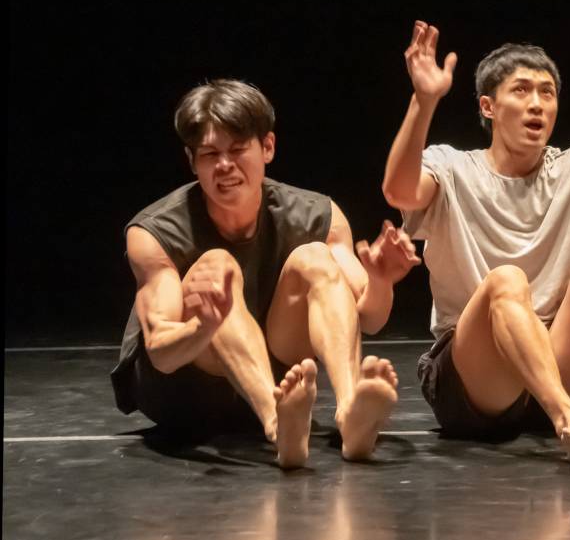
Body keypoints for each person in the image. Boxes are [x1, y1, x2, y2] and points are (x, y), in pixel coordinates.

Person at [382, 0, 570, 464]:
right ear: (488, 106)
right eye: (521, 91)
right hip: (473, 380)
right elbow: (399, 190)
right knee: (507, 281)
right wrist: (423, 102)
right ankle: (565, 417)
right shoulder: (451, 167)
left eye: (547, 92)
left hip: (555, 358)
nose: (537, 104)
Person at [112, 79, 420, 469]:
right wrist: (203, 326)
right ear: (192, 161)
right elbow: (161, 355)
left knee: (314, 257)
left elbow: (371, 318)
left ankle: (349, 412)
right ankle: (277, 426)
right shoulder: (155, 230)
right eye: (209, 154)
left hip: (282, 376)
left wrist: (380, 281)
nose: (224, 165)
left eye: (238, 150)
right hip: (186, 392)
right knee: (216, 266)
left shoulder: (316, 215)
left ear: (268, 147)